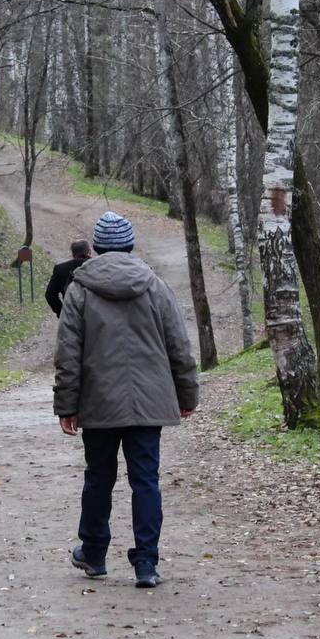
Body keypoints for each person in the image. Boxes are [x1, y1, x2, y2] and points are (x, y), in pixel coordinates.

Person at [53, 211, 199, 588]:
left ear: (96, 249)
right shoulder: (155, 286)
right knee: (145, 481)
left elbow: (68, 353)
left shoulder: (79, 290)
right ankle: (146, 563)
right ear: (131, 245)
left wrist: (66, 405)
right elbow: (179, 347)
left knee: (99, 478)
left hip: (99, 402)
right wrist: (187, 394)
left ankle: (95, 554)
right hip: (149, 403)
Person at [45, 239, 93, 317]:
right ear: (89, 252)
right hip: (95, 317)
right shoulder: (99, 267)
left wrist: (61, 313)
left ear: (73, 254)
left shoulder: (60, 269)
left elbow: (50, 295)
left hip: (72, 315)